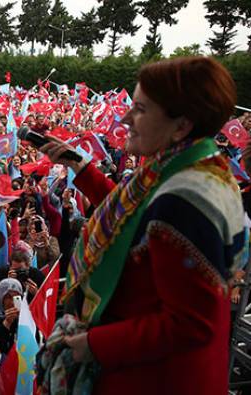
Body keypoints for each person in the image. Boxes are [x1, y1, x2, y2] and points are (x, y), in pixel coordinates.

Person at [39, 57, 246, 394]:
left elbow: (191, 324)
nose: (124, 118)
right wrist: (80, 167)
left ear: (181, 125)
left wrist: (94, 343)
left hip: (157, 379)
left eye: (140, 109)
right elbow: (135, 216)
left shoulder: (184, 201)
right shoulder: (195, 167)